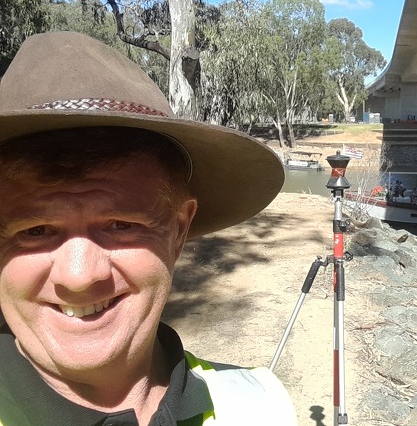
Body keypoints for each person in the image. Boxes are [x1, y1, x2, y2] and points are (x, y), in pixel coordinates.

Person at [0, 32, 297, 425]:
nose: (78, 277)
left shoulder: (262, 406)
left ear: (178, 231)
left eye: (121, 225)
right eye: (35, 230)